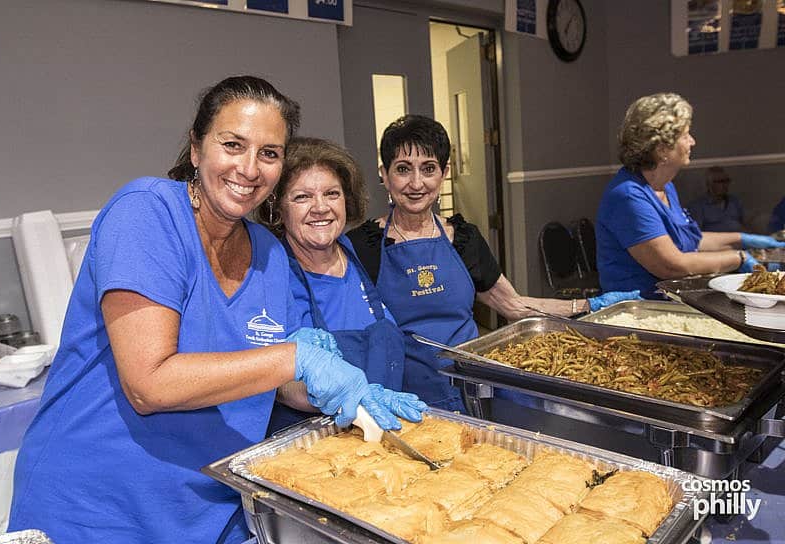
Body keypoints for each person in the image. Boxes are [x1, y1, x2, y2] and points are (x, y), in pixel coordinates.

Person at [7, 76, 424, 544]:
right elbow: (149, 383)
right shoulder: (147, 212)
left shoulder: (267, 253)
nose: (249, 168)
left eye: (269, 153)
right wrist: (295, 357)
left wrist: (346, 392)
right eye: (232, 144)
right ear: (195, 148)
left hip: (210, 507)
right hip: (99, 511)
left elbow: (274, 383)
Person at [347, 115, 639, 412]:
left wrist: (591, 307)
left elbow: (514, 307)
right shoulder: (361, 246)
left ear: (445, 172)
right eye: (403, 169)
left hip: (471, 390)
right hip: (401, 398)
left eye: (429, 168)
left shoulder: (464, 238)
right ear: (384, 174)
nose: (417, 183)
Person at [257, 137, 416, 434]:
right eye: (302, 197)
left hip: (384, 427)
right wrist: (345, 397)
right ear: (278, 208)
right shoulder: (270, 274)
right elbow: (276, 382)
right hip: (315, 443)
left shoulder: (353, 251)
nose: (320, 208)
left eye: (332, 194)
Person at [596, 92, 785, 298]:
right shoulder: (628, 197)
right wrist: (738, 258)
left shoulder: (665, 186)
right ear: (661, 150)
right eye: (685, 136)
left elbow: (690, 241)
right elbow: (671, 265)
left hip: (672, 298)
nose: (693, 142)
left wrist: (746, 240)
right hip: (640, 307)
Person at [687, 166, 745, 232]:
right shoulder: (698, 206)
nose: (725, 185)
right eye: (720, 181)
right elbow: (697, 234)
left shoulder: (735, 202)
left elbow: (745, 224)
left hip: (738, 240)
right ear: (709, 184)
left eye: (727, 181)